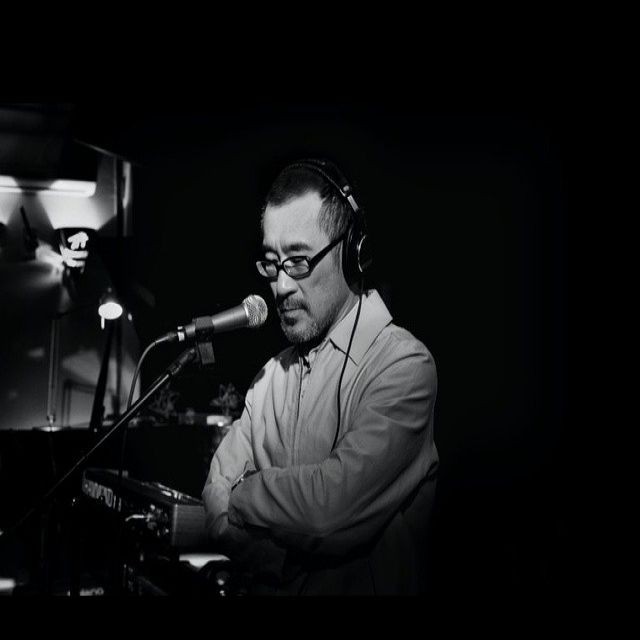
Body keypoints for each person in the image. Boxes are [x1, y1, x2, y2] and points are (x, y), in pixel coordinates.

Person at [201, 159, 438, 595]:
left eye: (298, 261)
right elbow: (214, 498)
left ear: (352, 253)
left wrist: (245, 493)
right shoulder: (268, 379)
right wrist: (275, 551)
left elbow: (328, 511)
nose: (280, 286)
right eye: (271, 263)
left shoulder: (404, 366)